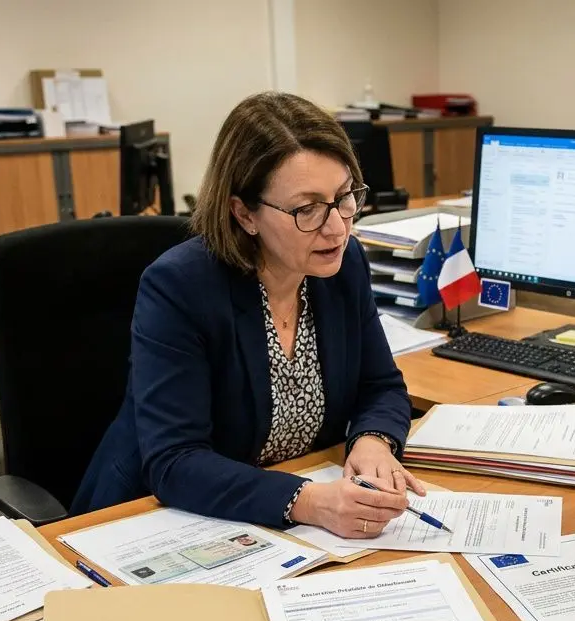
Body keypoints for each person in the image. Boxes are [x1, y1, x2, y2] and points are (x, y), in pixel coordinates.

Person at [73, 92, 425, 539]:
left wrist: (374, 440)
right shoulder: (180, 287)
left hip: (288, 531)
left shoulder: (340, 263)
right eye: (308, 208)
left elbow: (380, 385)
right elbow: (175, 460)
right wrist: (308, 501)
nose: (337, 226)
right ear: (245, 213)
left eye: (344, 197)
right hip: (162, 520)